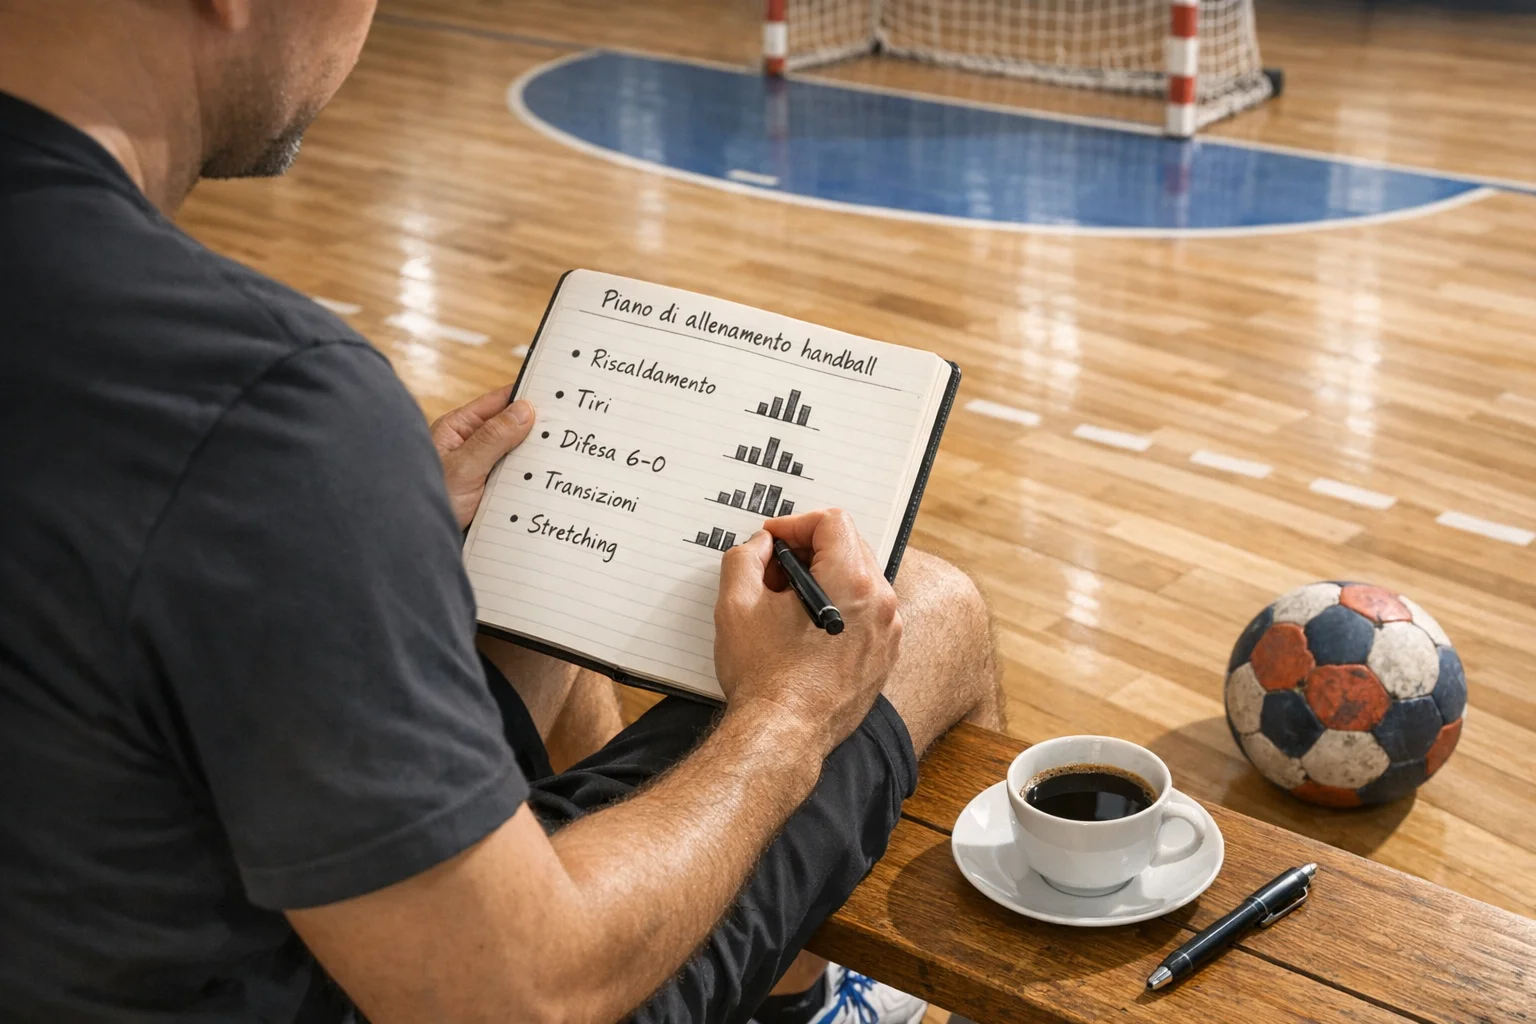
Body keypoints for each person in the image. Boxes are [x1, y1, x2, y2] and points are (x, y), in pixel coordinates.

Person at [0, 2, 1004, 1022]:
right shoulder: (257, 406)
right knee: (927, 607)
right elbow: (525, 1000)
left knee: (514, 571)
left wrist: (367, 535)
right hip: (402, 985)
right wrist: (788, 717)